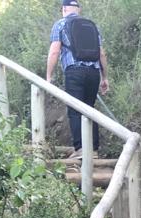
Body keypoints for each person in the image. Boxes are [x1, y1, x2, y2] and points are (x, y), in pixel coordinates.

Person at [46, 0, 110, 159]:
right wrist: (105, 77)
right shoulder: (92, 26)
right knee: (90, 108)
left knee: (75, 111)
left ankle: (81, 149)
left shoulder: (60, 24)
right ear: (78, 10)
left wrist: (49, 76)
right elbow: (101, 53)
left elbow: (54, 51)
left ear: (64, 9)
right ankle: (94, 150)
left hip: (74, 72)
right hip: (94, 73)